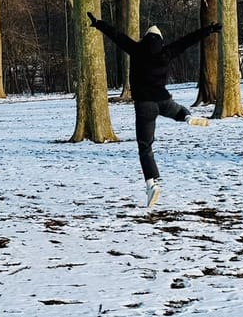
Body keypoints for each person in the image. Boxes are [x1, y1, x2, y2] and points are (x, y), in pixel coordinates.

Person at [88, 12, 222, 207]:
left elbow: (116, 35)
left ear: (145, 37)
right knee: (178, 111)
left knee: (145, 148)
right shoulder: (166, 52)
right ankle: (187, 117)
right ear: (160, 39)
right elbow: (188, 40)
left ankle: (152, 184)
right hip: (163, 100)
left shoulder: (135, 49)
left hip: (144, 106)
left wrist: (99, 24)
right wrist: (209, 30)